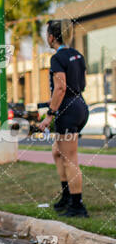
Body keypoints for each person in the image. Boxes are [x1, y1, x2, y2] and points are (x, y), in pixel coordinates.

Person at [38, 19, 89, 218]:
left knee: (70, 159)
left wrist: (49, 115)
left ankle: (77, 206)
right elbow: (82, 83)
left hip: (67, 110)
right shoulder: (78, 55)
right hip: (80, 105)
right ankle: (67, 196)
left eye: (47, 34)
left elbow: (60, 87)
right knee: (57, 153)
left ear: (51, 37)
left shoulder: (57, 58)